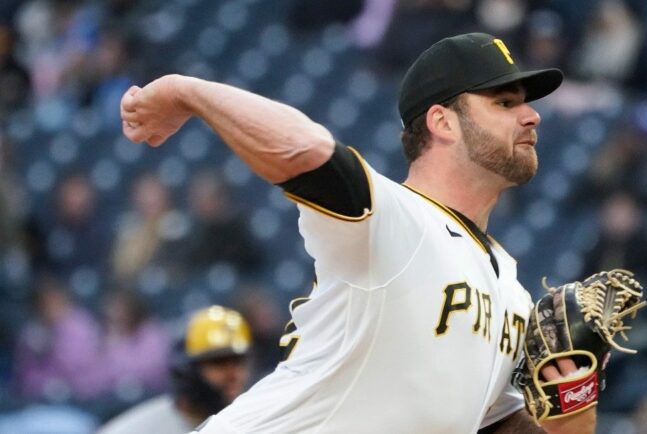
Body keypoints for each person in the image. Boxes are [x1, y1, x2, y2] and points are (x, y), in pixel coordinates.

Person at [120, 32, 597, 433]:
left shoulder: (512, 294)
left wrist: (576, 390)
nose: (530, 115)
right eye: (504, 102)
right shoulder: (394, 216)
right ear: (442, 121)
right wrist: (185, 92)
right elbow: (304, 149)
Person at [98, 305, 253, 434]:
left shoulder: (257, 419)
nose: (234, 374)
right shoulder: (134, 430)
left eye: (240, 362)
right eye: (218, 363)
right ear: (187, 371)